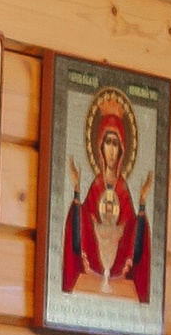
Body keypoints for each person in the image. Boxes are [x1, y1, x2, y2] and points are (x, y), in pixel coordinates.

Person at [60, 92, 152, 301]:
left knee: (141, 223)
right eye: (108, 142)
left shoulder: (123, 189)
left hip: (118, 267)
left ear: (122, 150)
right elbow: (81, 226)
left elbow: (131, 234)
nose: (111, 150)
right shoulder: (96, 185)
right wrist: (76, 188)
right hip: (93, 265)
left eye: (115, 144)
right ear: (100, 146)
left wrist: (143, 202)